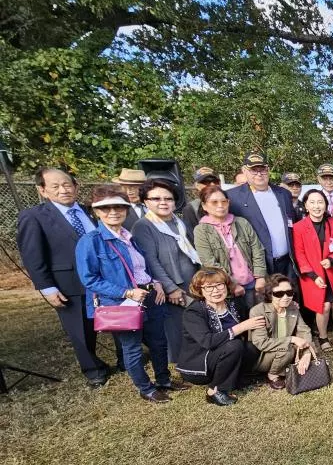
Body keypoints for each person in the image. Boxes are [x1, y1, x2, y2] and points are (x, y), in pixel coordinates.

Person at [74, 185, 177, 403]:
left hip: (149, 296)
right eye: (106, 208)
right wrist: (126, 292)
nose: (113, 212)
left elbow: (142, 267)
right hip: (121, 303)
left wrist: (156, 282)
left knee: (159, 342)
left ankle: (164, 380)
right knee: (132, 348)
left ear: (126, 210)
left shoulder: (130, 237)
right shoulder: (91, 241)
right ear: (96, 211)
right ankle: (145, 388)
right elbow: (89, 279)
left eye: (119, 207)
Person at [16, 167, 110, 387]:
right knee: (79, 328)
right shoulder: (34, 216)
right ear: (43, 190)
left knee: (110, 319)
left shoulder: (90, 211)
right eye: (55, 186)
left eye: (67, 184)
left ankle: (124, 359)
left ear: (75, 187)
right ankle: (93, 370)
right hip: (67, 282)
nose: (63, 190)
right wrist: (46, 287)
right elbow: (32, 255)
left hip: (101, 278)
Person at [132, 176, 202, 364]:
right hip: (171, 286)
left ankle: (197, 355)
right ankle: (182, 362)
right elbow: (151, 261)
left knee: (194, 320)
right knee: (176, 326)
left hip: (191, 280)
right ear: (146, 201)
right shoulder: (143, 226)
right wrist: (170, 288)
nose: (163, 202)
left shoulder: (179, 223)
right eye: (156, 198)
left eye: (168, 198)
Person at [177, 268, 271, 405]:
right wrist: (241, 327)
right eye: (209, 287)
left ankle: (237, 380)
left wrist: (283, 307)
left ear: (226, 285)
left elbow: (255, 317)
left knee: (251, 347)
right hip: (199, 364)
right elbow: (208, 342)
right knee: (234, 345)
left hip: (224, 355)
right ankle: (215, 391)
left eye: (219, 285)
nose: (216, 291)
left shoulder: (234, 304)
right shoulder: (193, 312)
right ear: (200, 290)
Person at [193, 185, 267, 314]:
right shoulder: (201, 230)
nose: (220, 205)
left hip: (251, 282)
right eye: (214, 202)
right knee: (236, 322)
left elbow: (257, 249)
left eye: (223, 201)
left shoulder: (241, 222)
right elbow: (209, 262)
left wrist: (260, 276)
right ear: (204, 206)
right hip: (224, 287)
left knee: (258, 318)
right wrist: (232, 284)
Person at [293, 189, 333, 351]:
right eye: (312, 202)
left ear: (325, 205)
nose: (317, 206)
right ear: (306, 206)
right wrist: (312, 274)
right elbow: (299, 253)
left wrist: (332, 259)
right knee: (323, 306)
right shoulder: (299, 228)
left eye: (320, 202)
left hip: (332, 271)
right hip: (312, 275)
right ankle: (323, 336)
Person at [227, 151, 296, 277]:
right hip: (258, 268)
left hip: (288, 264)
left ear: (268, 169)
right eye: (254, 170)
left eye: (262, 169)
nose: (259, 174)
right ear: (244, 170)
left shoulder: (283, 194)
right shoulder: (233, 197)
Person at [248, 274, 315, 389]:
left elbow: (304, 330)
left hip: (284, 350)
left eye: (289, 293)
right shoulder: (258, 311)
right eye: (279, 294)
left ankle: (286, 366)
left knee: (297, 347)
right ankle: (273, 374)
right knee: (288, 348)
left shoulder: (292, 307)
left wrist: (307, 353)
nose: (285, 297)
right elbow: (262, 343)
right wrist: (292, 339)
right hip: (264, 355)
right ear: (269, 295)